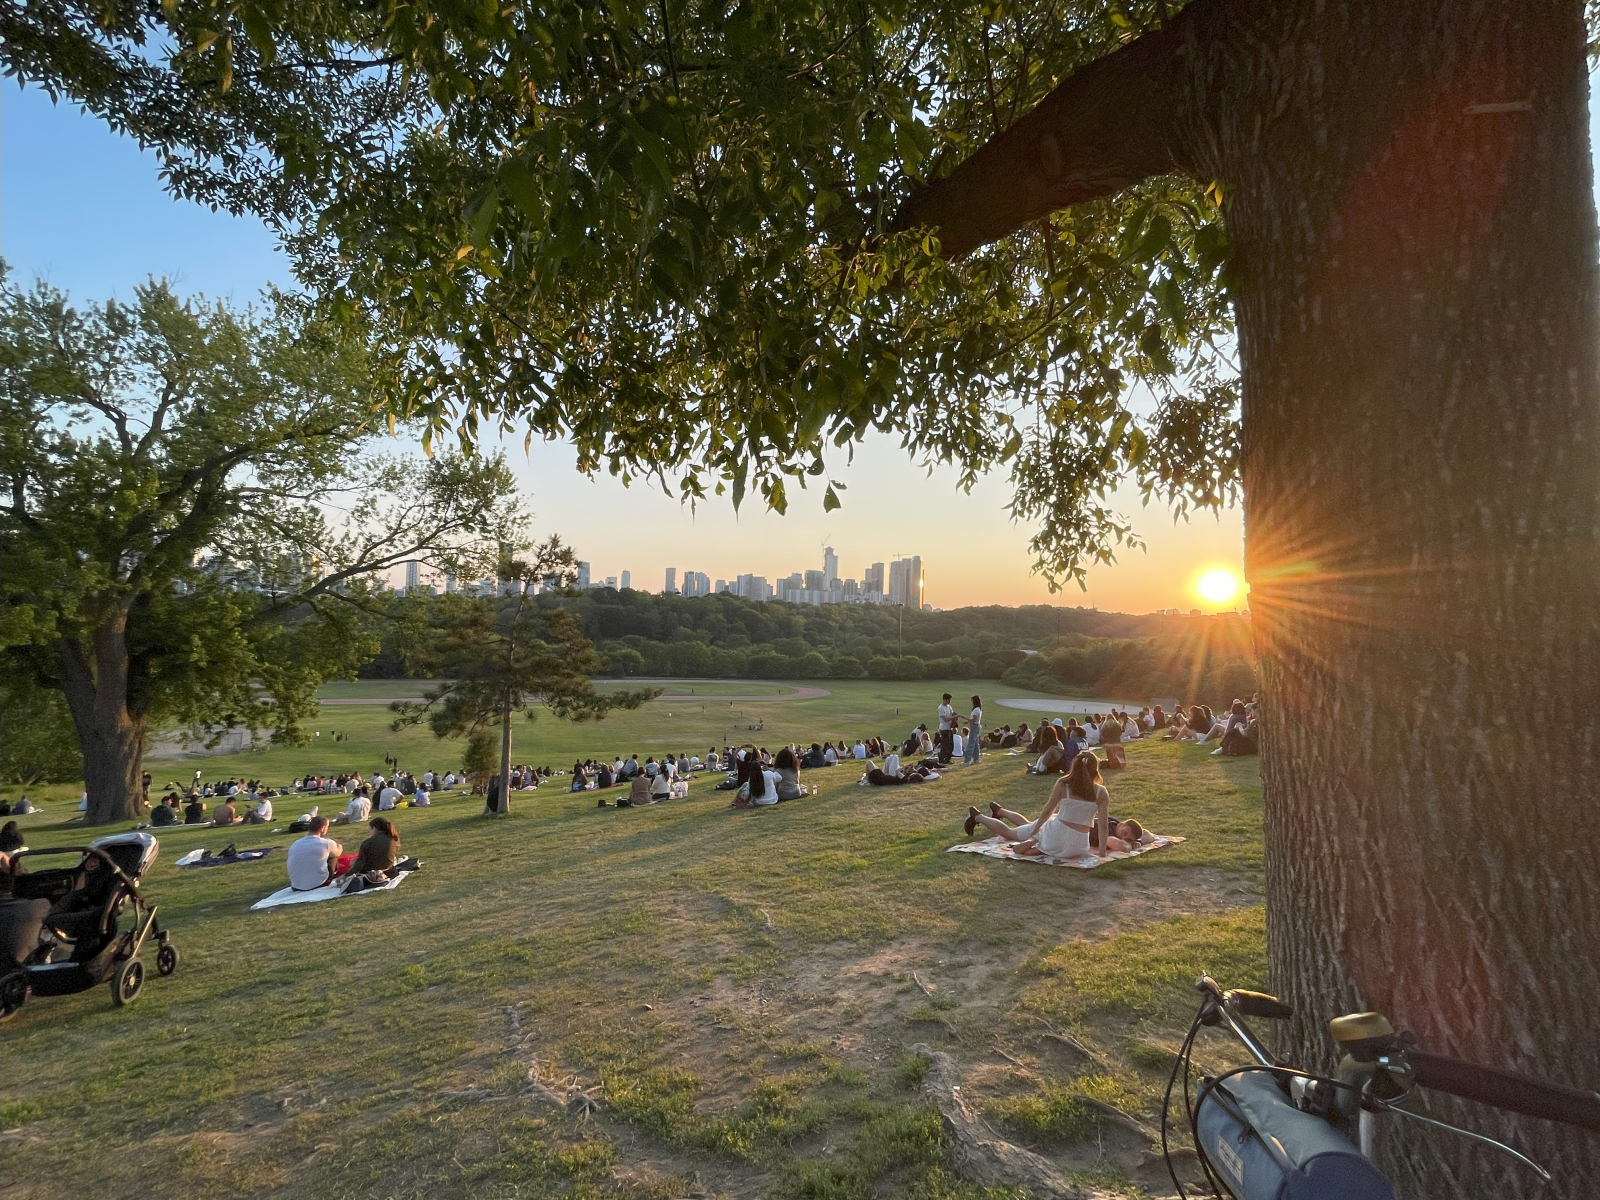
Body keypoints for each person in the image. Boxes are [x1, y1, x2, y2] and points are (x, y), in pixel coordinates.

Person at [965, 751, 1110, 860]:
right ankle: (1001, 812)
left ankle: (978, 817)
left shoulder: (1063, 784)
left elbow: (1047, 811)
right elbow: (1103, 825)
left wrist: (1035, 830)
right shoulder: (1101, 792)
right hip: (1079, 846)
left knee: (1011, 833)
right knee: (1035, 826)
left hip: (1055, 835)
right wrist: (1102, 852)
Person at [286, 816, 343, 891]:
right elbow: (337, 853)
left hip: (296, 885)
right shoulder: (327, 843)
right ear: (323, 828)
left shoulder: (296, 843)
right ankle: (329, 875)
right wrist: (340, 847)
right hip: (319, 883)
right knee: (332, 856)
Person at [964, 695, 983, 764]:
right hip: (975, 726)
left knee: (971, 743)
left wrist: (965, 718)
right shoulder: (977, 709)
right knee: (975, 743)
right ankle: (976, 758)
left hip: (974, 726)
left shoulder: (976, 710)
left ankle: (967, 760)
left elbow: (973, 720)